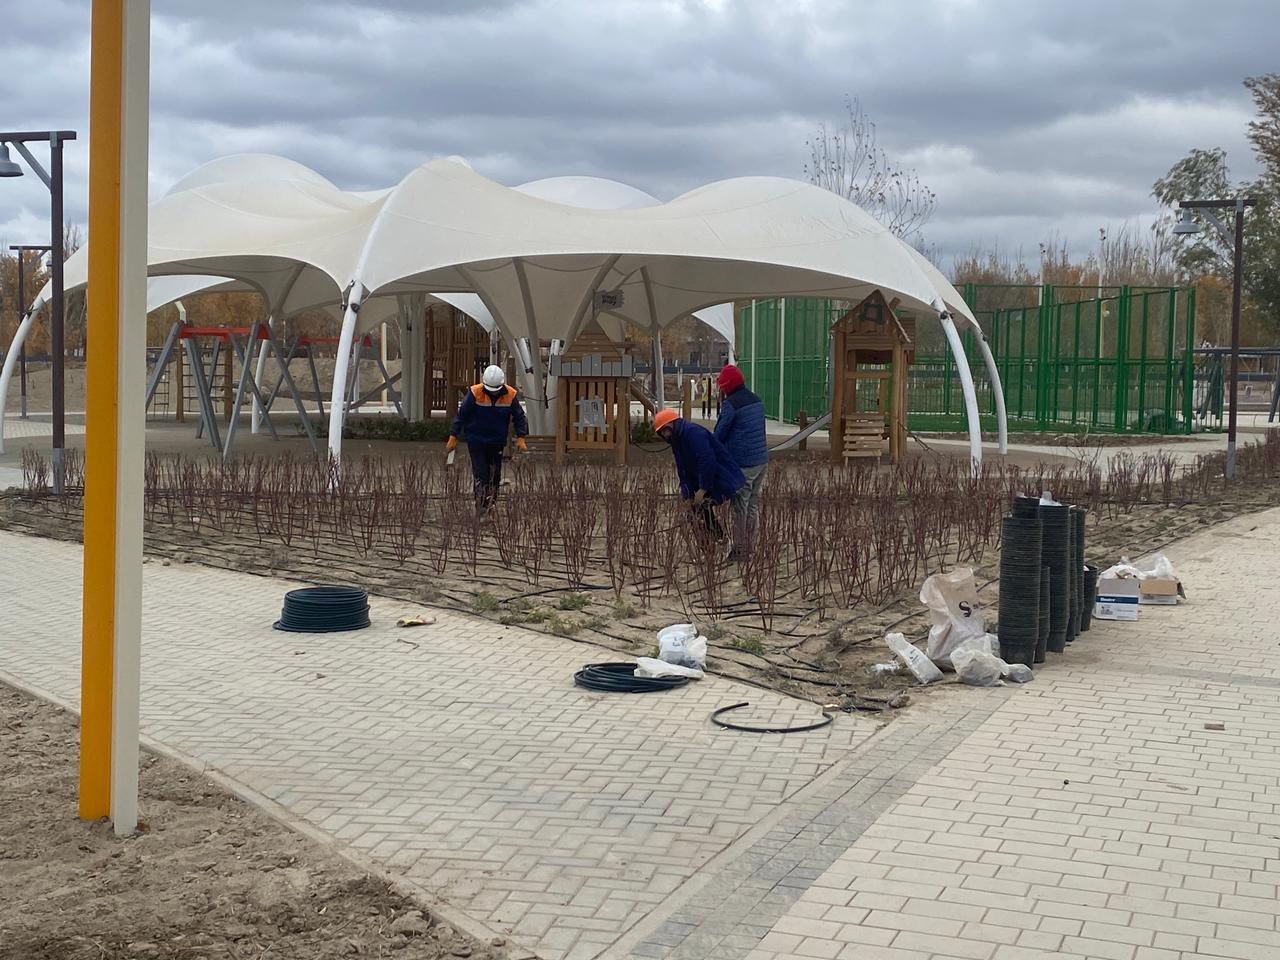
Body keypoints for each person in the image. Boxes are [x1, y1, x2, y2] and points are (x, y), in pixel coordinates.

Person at [446, 365, 529, 513]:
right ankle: (481, 507)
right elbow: (462, 414)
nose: (493, 393)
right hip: (476, 440)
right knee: (481, 474)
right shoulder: (475, 392)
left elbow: (519, 417)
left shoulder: (510, 394)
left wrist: (521, 436)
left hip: (496, 441)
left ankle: (490, 504)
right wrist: (454, 435)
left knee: (494, 475)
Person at [653, 408, 745, 540]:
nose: (664, 434)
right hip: (705, 479)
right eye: (661, 432)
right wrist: (687, 494)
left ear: (672, 424)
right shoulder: (676, 440)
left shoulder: (694, 433)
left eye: (665, 430)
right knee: (696, 511)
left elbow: (707, 460)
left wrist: (703, 489)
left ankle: (717, 541)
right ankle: (713, 543)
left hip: (720, 477)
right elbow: (682, 469)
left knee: (702, 509)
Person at [713, 363, 768, 561]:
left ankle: (740, 550)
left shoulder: (731, 405)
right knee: (752, 505)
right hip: (761, 461)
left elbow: (719, 433)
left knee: (740, 507)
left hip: (743, 464)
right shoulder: (756, 400)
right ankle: (751, 546)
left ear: (727, 385)